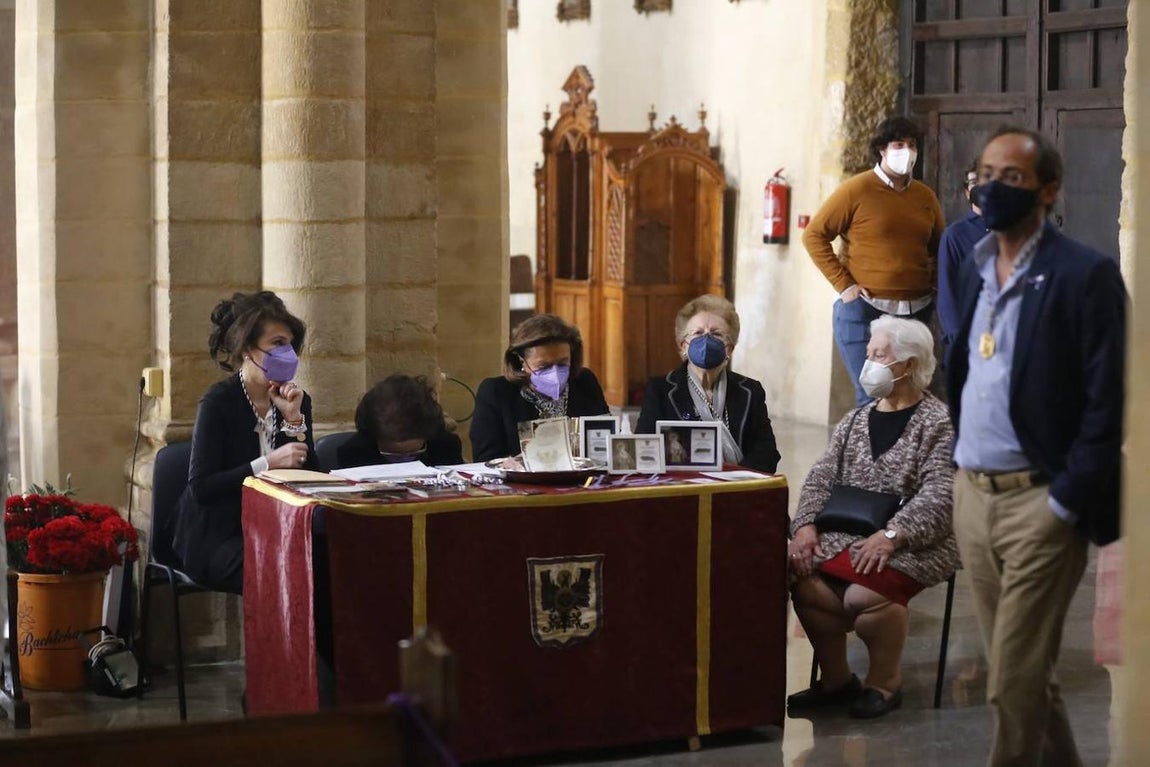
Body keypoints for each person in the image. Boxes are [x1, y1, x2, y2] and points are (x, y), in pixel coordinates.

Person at [948, 127, 1126, 766]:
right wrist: (955, 472)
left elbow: (1113, 398)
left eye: (1012, 178)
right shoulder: (972, 265)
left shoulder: (1086, 275)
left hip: (1039, 502)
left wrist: (1067, 500)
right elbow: (966, 368)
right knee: (1026, 677)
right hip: (973, 497)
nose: (993, 188)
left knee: (1011, 685)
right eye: (985, 174)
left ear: (1048, 191)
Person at [787, 316, 958, 719]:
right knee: (803, 576)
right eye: (868, 355)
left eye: (879, 355)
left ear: (910, 365)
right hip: (847, 531)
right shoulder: (854, 420)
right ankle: (837, 681)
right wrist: (806, 525)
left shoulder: (939, 423)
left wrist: (893, 535)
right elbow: (820, 477)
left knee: (863, 594)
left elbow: (941, 495)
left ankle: (885, 682)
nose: (869, 364)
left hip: (919, 539)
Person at [173, 292, 316, 594]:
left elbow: (312, 478)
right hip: (218, 535)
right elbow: (202, 487)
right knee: (278, 570)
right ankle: (271, 642)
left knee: (324, 564)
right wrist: (266, 464)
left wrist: (293, 421)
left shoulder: (296, 401)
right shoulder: (218, 402)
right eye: (277, 343)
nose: (287, 353)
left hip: (277, 528)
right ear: (248, 349)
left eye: (290, 344)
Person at [803, 116, 945, 404]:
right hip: (865, 310)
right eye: (899, 144)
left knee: (909, 397)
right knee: (873, 394)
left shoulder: (925, 196)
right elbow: (814, 235)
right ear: (882, 149)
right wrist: (844, 285)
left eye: (913, 145)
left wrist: (933, 283)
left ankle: (905, 451)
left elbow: (939, 247)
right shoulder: (856, 189)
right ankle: (870, 450)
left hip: (915, 311)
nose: (907, 151)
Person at [636, 294, 780, 473]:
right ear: (683, 346)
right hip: (681, 490)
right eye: (698, 333)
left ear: (730, 347)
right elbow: (644, 448)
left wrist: (733, 479)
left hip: (737, 490)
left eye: (716, 334)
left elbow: (767, 452)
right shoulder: (660, 390)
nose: (706, 340)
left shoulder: (750, 390)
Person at [470, 314, 609, 462]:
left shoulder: (584, 381)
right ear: (522, 362)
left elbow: (606, 437)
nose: (555, 373)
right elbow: (486, 458)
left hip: (584, 480)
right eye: (544, 366)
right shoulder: (496, 392)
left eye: (562, 363)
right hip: (521, 482)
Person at [336, 374, 463, 468]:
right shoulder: (353, 452)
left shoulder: (447, 446)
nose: (404, 461)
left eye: (413, 454)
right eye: (393, 456)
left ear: (428, 434)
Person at [937, 160, 989, 352]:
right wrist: (957, 338)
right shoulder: (955, 235)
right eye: (975, 182)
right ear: (967, 192)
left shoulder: (1013, 230)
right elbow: (947, 289)